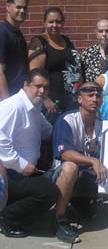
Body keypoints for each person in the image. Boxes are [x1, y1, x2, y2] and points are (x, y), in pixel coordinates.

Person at [0, 68, 58, 238]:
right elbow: (1, 141)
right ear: (26, 85)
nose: (42, 91)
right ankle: (9, 219)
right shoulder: (13, 106)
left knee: (46, 184)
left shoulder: (34, 108)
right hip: (7, 173)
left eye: (45, 87)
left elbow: (48, 131)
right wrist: (21, 165)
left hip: (22, 172)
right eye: (37, 86)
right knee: (48, 192)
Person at [48, 82, 108, 243]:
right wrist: (93, 160)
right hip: (62, 176)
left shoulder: (104, 125)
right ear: (80, 99)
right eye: (90, 95)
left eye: (98, 96)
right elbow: (64, 153)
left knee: (87, 214)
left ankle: (76, 203)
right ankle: (59, 220)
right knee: (70, 166)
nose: (95, 99)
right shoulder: (67, 120)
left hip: (88, 179)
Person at [28, 7, 82, 123]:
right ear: (44, 23)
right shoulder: (40, 43)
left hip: (70, 101)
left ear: (63, 23)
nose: (54, 25)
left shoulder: (66, 41)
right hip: (52, 105)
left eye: (58, 21)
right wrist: (45, 100)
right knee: (51, 137)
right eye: (51, 21)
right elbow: (35, 75)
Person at [0, 0, 29, 99]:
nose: (22, 11)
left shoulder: (18, 34)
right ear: (8, 7)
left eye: (25, 8)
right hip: (6, 99)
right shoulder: (2, 33)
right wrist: (6, 102)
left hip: (17, 96)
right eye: (18, 7)